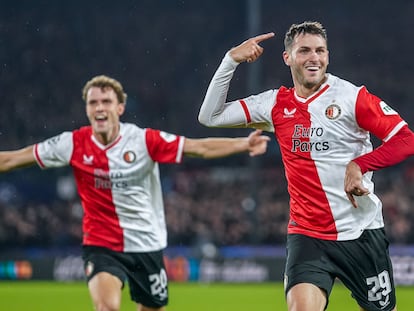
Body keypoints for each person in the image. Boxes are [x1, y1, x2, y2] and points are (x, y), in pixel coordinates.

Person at [0, 74, 270, 311]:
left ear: (120, 108)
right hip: (101, 243)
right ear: (87, 110)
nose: (99, 108)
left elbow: (198, 148)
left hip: (146, 244)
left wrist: (242, 145)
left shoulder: (143, 140)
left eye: (106, 102)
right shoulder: (72, 143)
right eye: (93, 103)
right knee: (107, 307)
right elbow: (13, 159)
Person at [198, 21, 414, 311]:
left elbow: (406, 139)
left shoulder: (352, 98)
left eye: (320, 50)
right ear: (288, 58)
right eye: (304, 51)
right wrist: (230, 61)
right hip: (307, 235)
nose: (314, 57)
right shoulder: (275, 104)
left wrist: (359, 164)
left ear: (327, 56)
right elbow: (210, 116)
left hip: (360, 233)